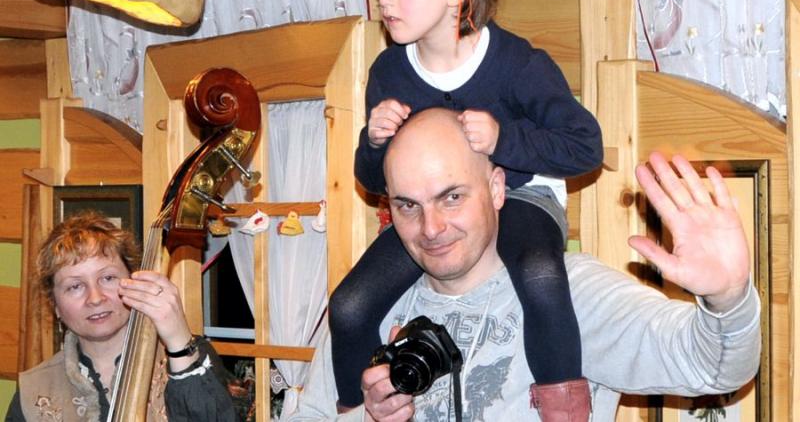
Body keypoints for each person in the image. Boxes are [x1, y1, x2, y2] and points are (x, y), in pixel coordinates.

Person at [286, 108, 760, 422]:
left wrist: (728, 296)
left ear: (496, 189)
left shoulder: (571, 293)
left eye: (452, 197)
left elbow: (712, 367)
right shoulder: (372, 309)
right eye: (408, 206)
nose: (431, 228)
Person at [329, 0, 603, 420]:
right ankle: (356, 410)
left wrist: (504, 139)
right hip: (431, 209)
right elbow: (372, 181)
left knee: (540, 274)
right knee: (348, 306)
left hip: (522, 194)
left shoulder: (517, 63)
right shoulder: (388, 71)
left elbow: (585, 147)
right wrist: (375, 143)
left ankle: (564, 407)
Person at [5, 212, 242, 422]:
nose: (95, 298)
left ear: (133, 280)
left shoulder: (191, 356)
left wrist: (179, 343)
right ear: (55, 304)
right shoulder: (34, 391)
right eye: (75, 286)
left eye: (108, 278)